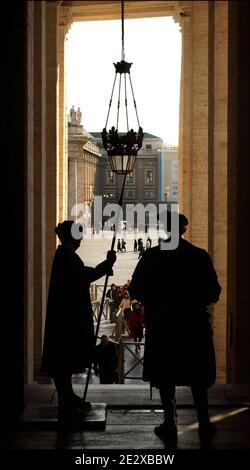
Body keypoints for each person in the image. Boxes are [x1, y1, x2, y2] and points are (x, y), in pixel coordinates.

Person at [128, 213, 221, 443]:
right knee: (197, 377)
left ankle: (170, 422)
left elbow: (136, 288)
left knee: (165, 376)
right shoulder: (199, 256)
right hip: (193, 325)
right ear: (184, 229)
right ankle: (205, 422)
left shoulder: (151, 257)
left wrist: (154, 304)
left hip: (163, 326)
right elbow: (214, 292)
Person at [41, 220, 116, 424]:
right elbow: (84, 276)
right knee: (63, 362)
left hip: (66, 317)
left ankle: (68, 397)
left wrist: (104, 266)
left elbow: (82, 273)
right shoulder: (66, 257)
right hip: (67, 320)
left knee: (64, 361)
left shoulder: (66, 255)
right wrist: (106, 265)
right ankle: (66, 403)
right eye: (79, 235)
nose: (82, 239)